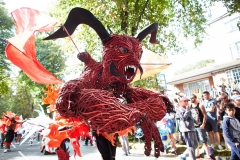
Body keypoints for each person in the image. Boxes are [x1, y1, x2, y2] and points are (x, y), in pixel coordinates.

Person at [190, 94, 212, 159]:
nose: (191, 99)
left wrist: (203, 124)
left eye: (192, 98)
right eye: (190, 98)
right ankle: (197, 153)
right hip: (193, 126)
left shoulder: (200, 105)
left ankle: (208, 155)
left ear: (195, 98)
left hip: (200, 126)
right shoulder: (190, 106)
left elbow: (205, 115)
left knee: (204, 140)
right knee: (196, 141)